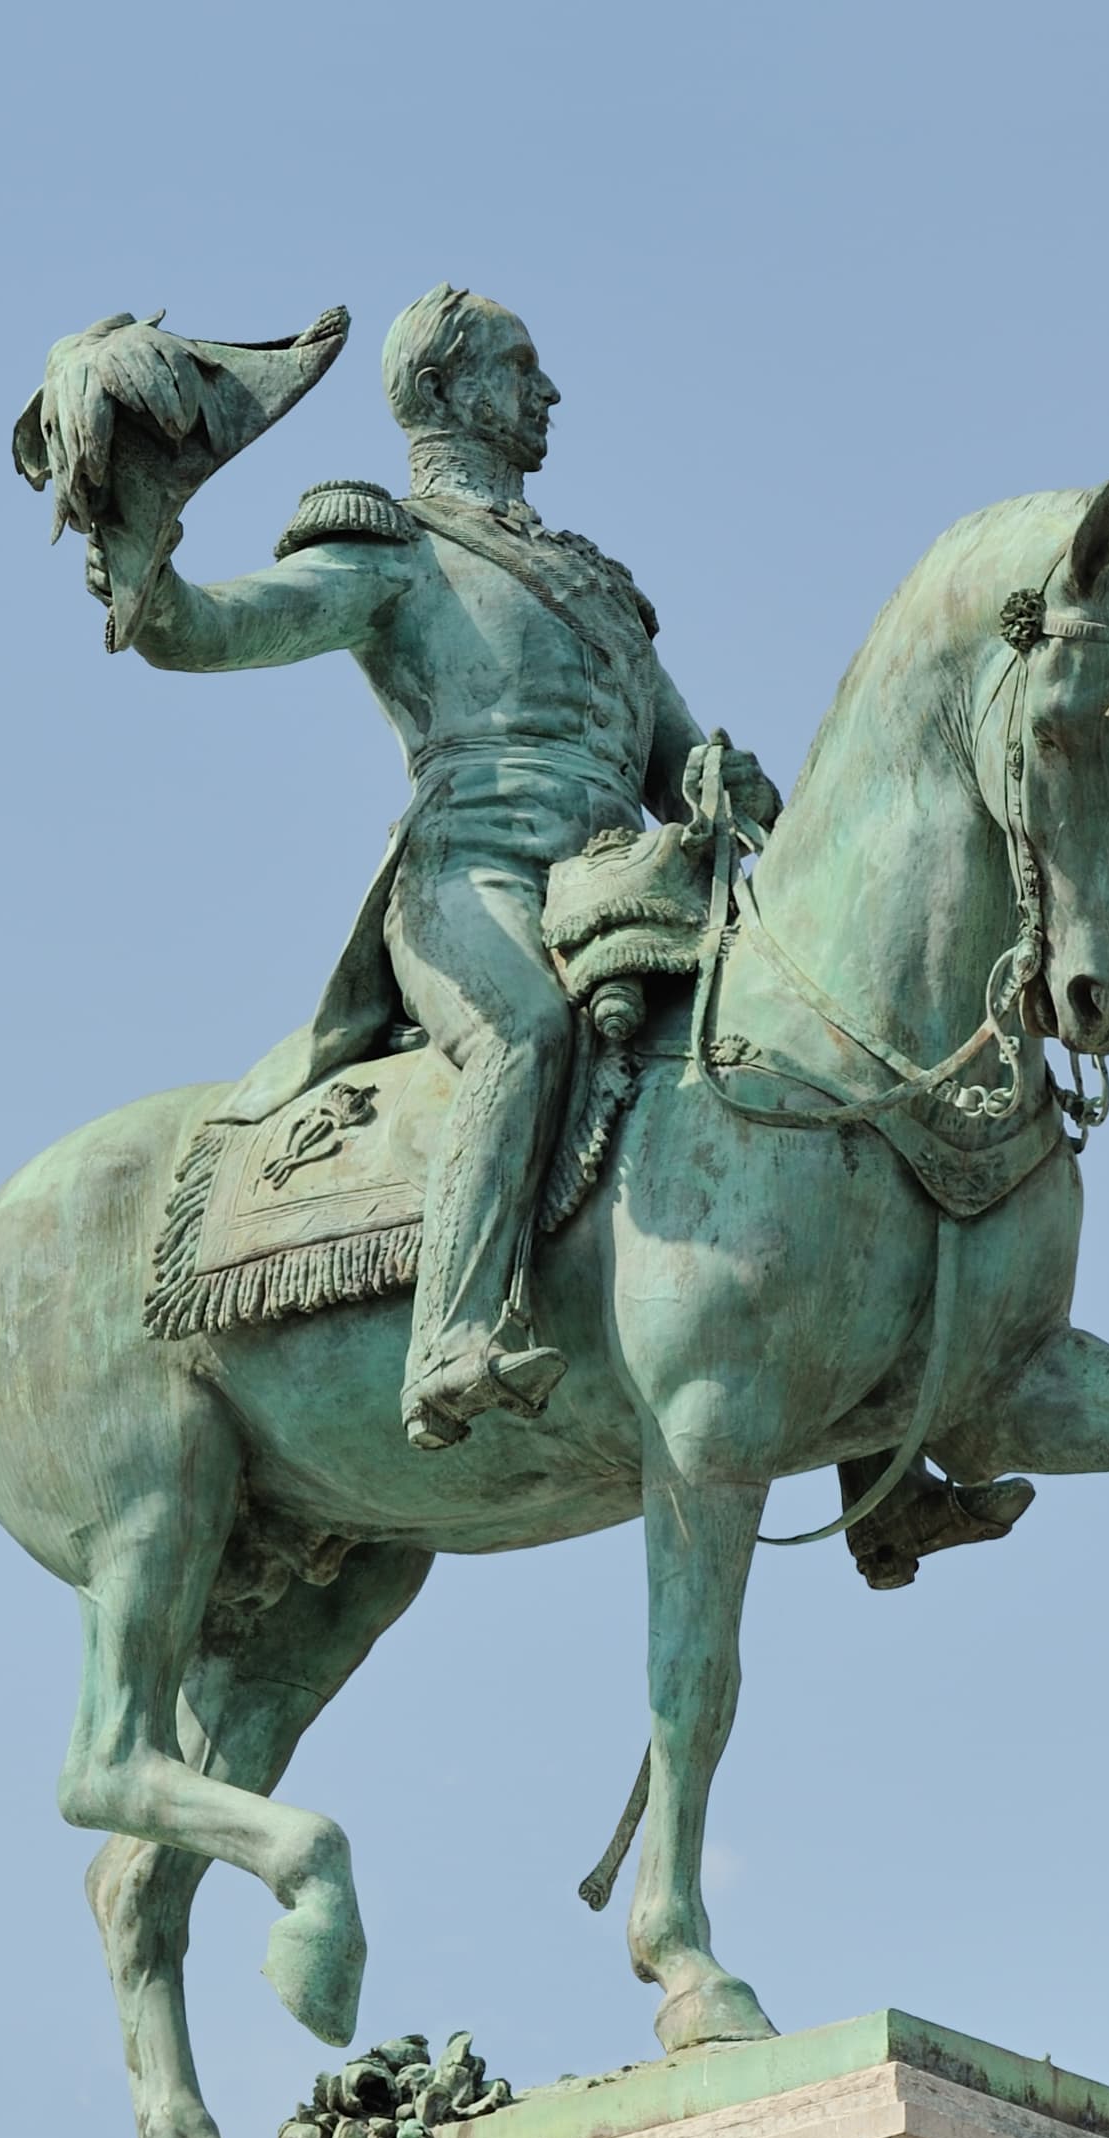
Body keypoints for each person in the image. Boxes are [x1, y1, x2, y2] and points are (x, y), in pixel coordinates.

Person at [97, 284, 777, 1450]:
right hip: (471, 877)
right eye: (520, 367)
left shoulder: (599, 588)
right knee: (524, 1031)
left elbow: (675, 761)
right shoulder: (396, 549)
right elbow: (211, 630)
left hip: (619, 884)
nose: (548, 391)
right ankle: (453, 1336)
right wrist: (142, 560)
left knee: (792, 1034)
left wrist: (721, 781)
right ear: (445, 388)